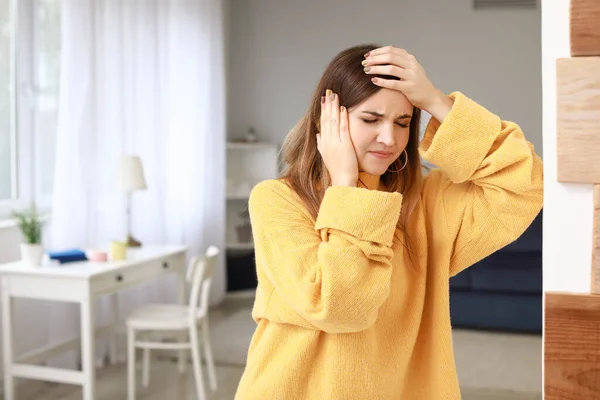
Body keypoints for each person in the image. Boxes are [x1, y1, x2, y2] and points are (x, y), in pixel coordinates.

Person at [234, 44, 543, 400]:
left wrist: (434, 100)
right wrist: (346, 185)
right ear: (328, 120)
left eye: (402, 123)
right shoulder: (278, 199)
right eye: (370, 119)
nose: (389, 139)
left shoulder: (424, 202)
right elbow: (339, 309)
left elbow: (524, 183)